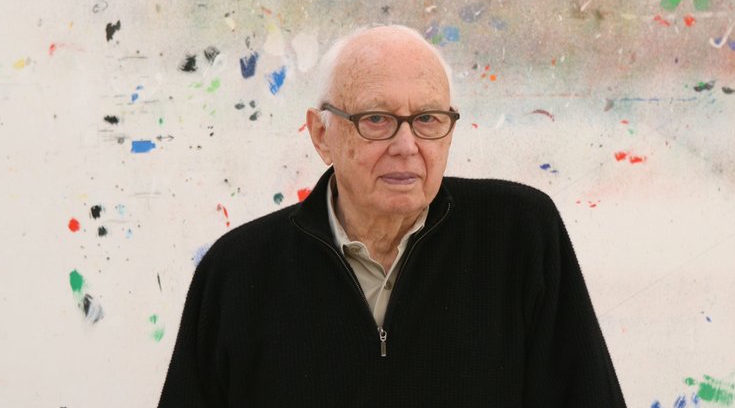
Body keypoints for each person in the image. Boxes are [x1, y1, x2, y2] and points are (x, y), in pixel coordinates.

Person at [158, 25, 626, 407]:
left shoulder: (520, 236)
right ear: (321, 135)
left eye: (427, 119)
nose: (407, 146)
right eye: (377, 119)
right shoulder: (237, 273)